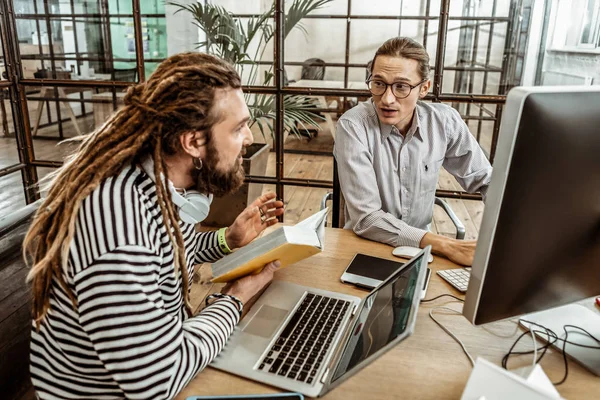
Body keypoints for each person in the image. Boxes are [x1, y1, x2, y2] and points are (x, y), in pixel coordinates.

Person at [23, 52, 285, 399]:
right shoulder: (118, 223)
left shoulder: (153, 182)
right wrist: (235, 300)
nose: (249, 138)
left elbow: (163, 253)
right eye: (238, 127)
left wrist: (227, 239)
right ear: (193, 142)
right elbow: (154, 381)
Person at [334, 37, 492, 266]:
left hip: (420, 252)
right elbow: (367, 219)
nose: (387, 99)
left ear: (424, 88)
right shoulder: (354, 125)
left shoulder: (444, 121)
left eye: (401, 87)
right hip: (366, 247)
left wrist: (508, 232)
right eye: (379, 83)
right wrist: (447, 245)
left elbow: (486, 180)